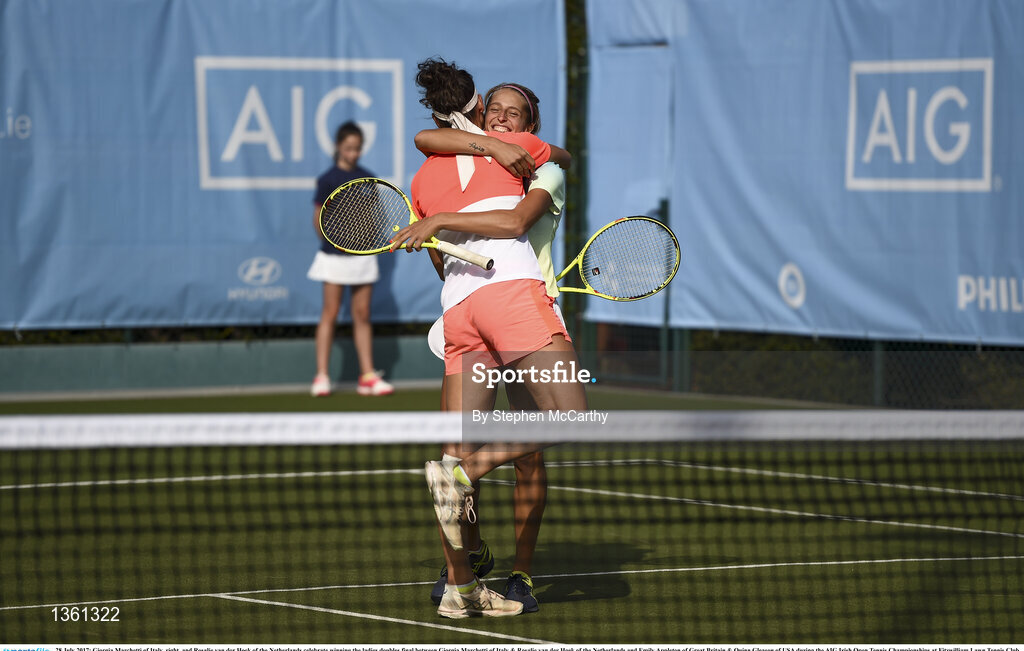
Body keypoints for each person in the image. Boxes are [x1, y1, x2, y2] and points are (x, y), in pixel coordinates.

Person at [395, 57, 587, 619]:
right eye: (494, 109)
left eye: (515, 113)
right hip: (508, 301)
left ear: (530, 123)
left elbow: (554, 168)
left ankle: (485, 580)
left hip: (472, 308)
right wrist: (492, 149)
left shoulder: (445, 165)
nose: (502, 119)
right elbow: (487, 222)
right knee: (553, 425)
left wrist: (503, 148)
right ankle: (463, 561)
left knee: (474, 450)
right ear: (478, 111)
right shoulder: (483, 155)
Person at [307, 121, 393, 397]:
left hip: (362, 255)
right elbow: (318, 219)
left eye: (357, 148)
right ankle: (322, 376)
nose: (353, 153)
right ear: (338, 147)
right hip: (334, 256)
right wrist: (333, 243)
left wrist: (365, 242)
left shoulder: (368, 178)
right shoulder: (327, 180)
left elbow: (373, 217)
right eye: (348, 148)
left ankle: (367, 376)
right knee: (330, 313)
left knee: (362, 314)